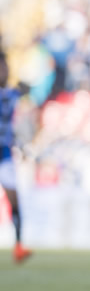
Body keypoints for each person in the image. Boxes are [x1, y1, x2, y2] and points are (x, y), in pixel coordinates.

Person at [0, 53, 31, 264]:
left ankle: (19, 245)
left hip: (5, 152)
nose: (5, 71)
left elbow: (28, 89)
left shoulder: (12, 93)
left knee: (14, 199)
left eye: (5, 67)